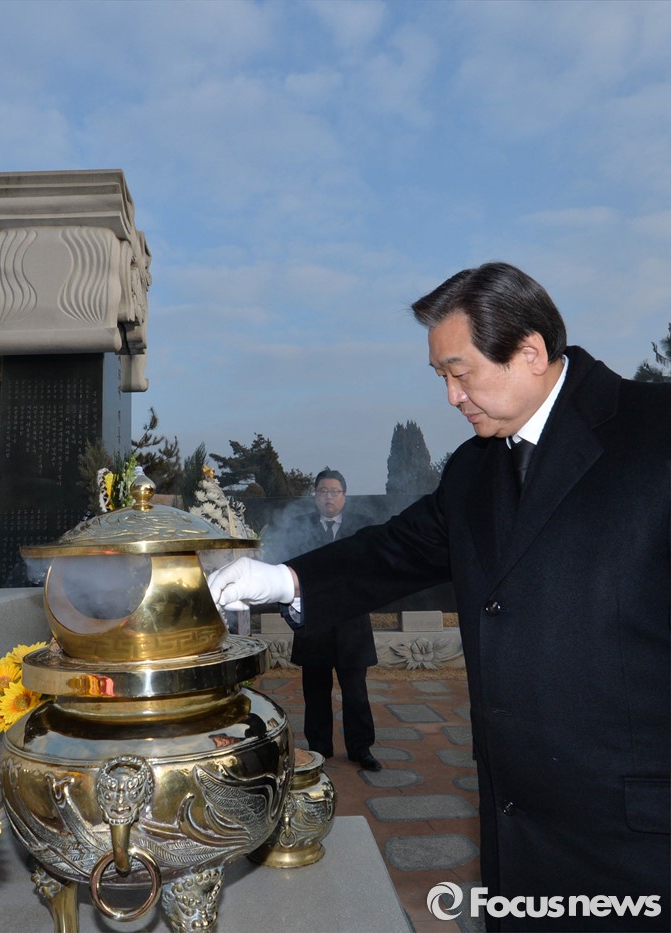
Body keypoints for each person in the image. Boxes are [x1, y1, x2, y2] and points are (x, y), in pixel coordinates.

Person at [210, 262, 670, 933]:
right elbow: (394, 549)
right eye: (441, 377)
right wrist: (283, 580)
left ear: (530, 352)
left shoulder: (654, 432)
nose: (452, 397)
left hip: (637, 837)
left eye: (461, 373)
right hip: (518, 831)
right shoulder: (475, 468)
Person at [281, 469, 380, 771]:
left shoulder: (363, 526)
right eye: (323, 491)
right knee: (315, 692)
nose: (329, 497)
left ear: (344, 497)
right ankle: (319, 749)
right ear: (315, 496)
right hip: (315, 624)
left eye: (335, 492)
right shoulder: (299, 528)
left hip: (352, 624)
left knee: (356, 692)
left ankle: (361, 748)